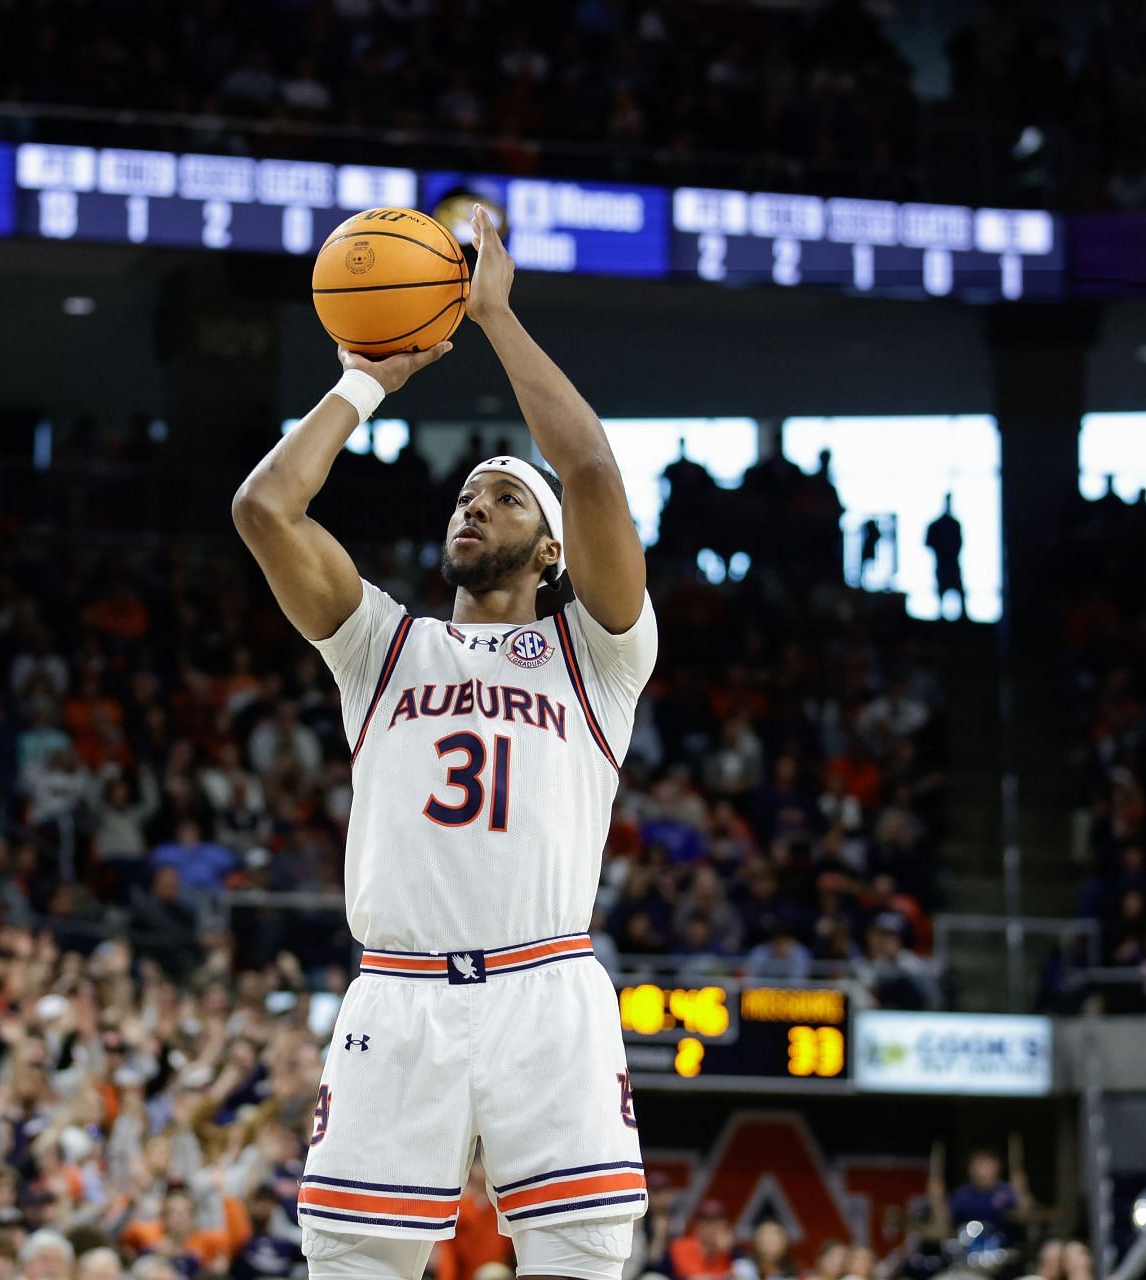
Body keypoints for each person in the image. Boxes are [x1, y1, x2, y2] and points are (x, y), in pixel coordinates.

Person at [234, 203, 656, 1280]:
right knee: (347, 1262)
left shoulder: (599, 654)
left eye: (506, 496)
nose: (476, 503)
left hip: (546, 986)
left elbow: (595, 470)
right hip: (399, 991)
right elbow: (266, 508)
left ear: (550, 546)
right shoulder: (382, 646)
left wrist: (495, 316)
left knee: (580, 1259)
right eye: (468, 492)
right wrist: (372, 375)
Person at [668, 1201, 739, 1280]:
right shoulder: (680, 1246)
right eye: (705, 1221)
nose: (711, 1227)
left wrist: (732, 1250)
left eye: (716, 1221)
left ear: (724, 1225)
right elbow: (692, 1277)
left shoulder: (728, 1253)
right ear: (697, 1224)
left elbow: (741, 1273)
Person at [924, 497, 964, 621]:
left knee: (957, 590)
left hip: (951, 564)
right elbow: (928, 542)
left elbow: (960, 542)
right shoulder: (938, 525)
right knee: (942, 591)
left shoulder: (954, 524)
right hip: (942, 565)